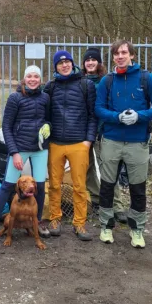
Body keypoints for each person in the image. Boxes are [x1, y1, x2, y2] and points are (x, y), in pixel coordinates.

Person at [95, 40, 152, 248]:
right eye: (116, 53)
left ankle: (137, 229)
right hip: (111, 140)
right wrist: (117, 117)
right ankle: (106, 226)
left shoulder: (147, 79)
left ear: (132, 55)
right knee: (107, 186)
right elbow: (98, 108)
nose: (120, 56)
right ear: (113, 57)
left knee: (138, 187)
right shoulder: (107, 81)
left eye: (124, 52)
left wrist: (139, 116)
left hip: (137, 142)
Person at [0, 65, 52, 243]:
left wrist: (48, 126)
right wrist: (14, 152)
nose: (32, 79)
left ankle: (37, 221)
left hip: (40, 149)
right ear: (24, 79)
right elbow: (6, 126)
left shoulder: (45, 97)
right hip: (19, 148)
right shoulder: (15, 98)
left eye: (36, 76)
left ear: (40, 80)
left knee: (39, 187)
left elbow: (48, 119)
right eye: (29, 76)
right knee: (8, 185)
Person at [43, 50, 97, 241]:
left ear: (72, 64)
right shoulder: (50, 87)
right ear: (55, 67)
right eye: (60, 63)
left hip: (79, 144)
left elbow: (93, 115)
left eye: (67, 62)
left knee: (79, 186)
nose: (64, 65)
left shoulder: (86, 85)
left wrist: (88, 141)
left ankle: (79, 223)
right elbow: (44, 113)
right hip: (56, 143)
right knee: (54, 185)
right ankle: (55, 219)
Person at [81, 47, 126, 222]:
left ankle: (117, 205)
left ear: (99, 62)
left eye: (93, 60)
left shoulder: (107, 81)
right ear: (83, 63)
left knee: (108, 169)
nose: (90, 62)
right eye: (87, 60)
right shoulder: (79, 81)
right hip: (83, 133)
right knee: (86, 167)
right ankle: (96, 198)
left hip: (103, 131)